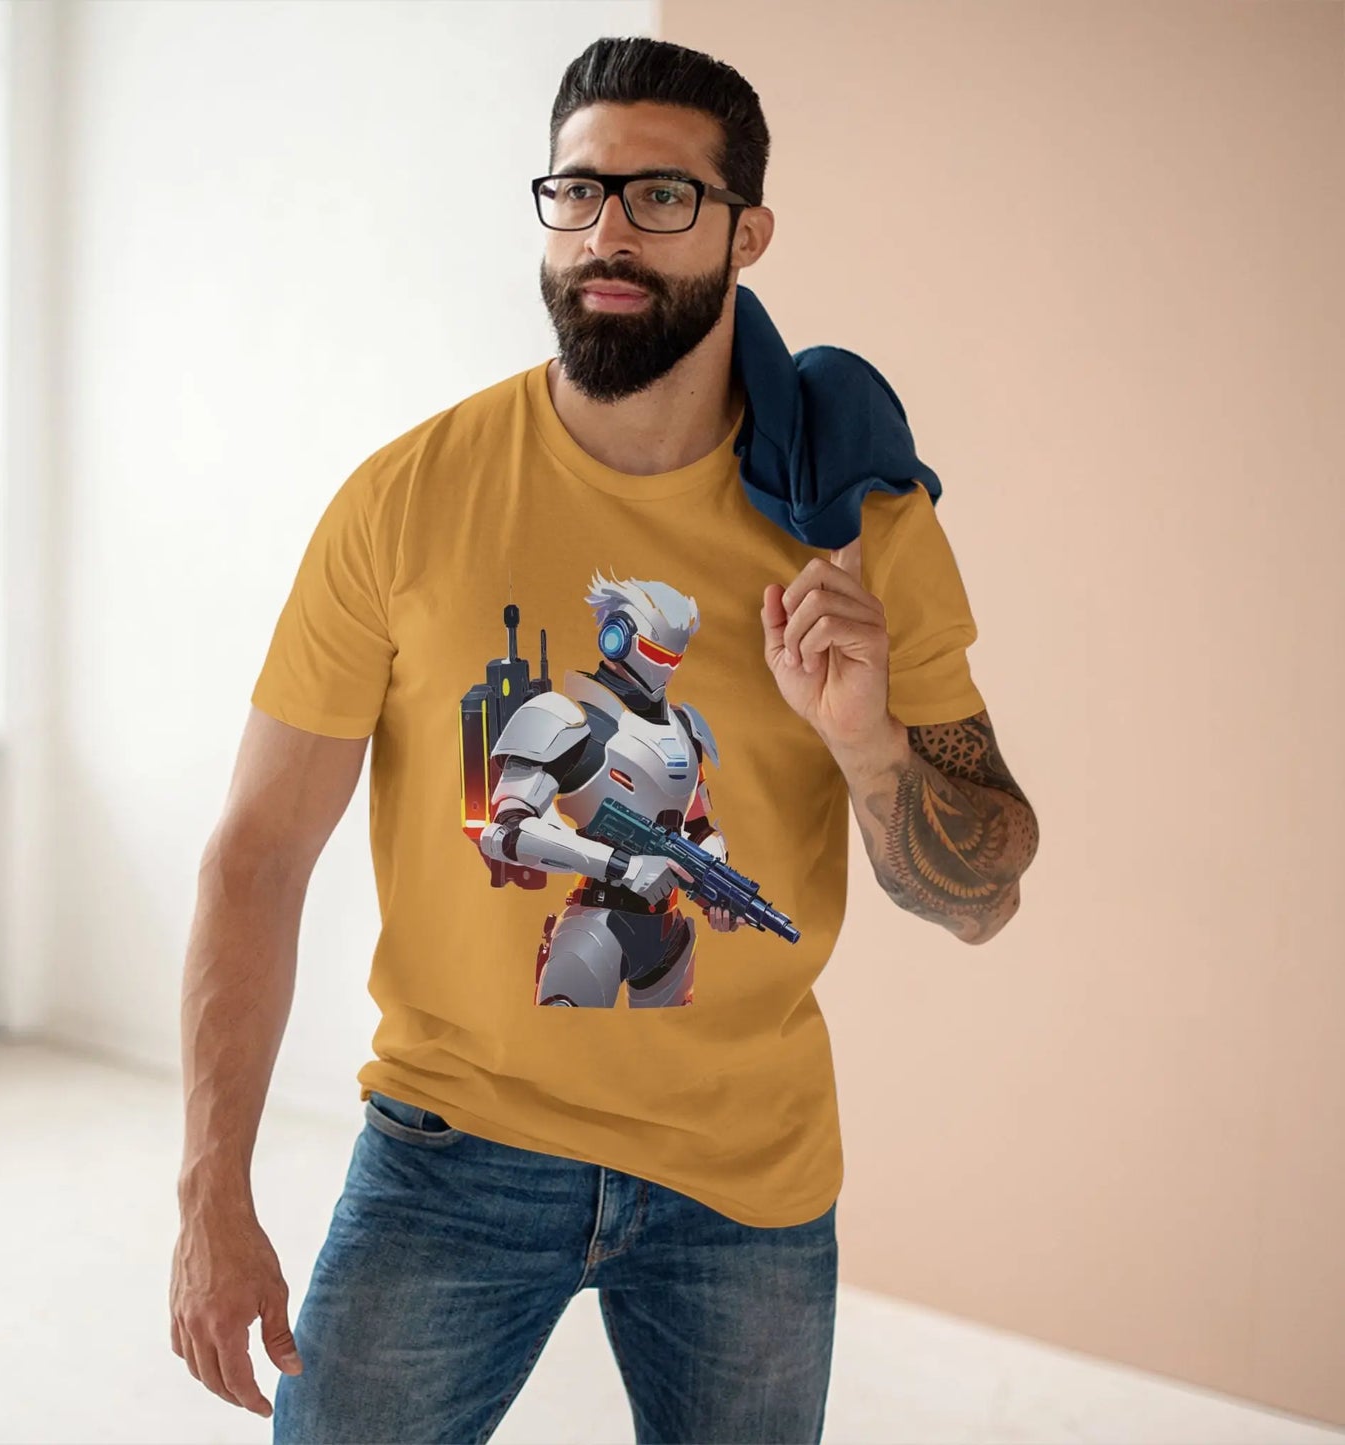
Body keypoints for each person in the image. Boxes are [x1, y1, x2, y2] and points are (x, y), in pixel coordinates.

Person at [169, 34, 1039, 1445]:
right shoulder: (408, 500)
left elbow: (982, 894)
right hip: (455, 1146)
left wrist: (868, 744)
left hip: (743, 1176)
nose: (607, 233)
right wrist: (210, 1197)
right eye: (577, 192)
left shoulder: (854, 527)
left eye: (661, 196)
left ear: (747, 233)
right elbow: (260, 855)